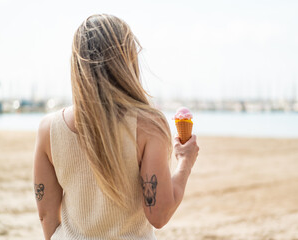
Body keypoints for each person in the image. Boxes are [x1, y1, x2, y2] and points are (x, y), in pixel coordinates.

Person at [33, 13, 199, 240]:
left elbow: (47, 217)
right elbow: (158, 214)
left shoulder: (48, 129)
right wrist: (185, 163)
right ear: (126, 60)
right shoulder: (149, 125)